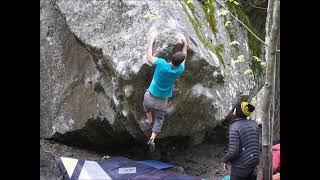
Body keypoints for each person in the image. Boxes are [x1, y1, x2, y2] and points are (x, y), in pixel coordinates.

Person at [143, 33, 188, 152]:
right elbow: (184, 57)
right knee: (160, 119)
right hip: (162, 100)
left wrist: (151, 42)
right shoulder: (179, 70)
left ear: (172, 58)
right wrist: (185, 45)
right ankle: (152, 139)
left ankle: (148, 120)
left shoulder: (161, 63)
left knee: (146, 106)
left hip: (150, 95)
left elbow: (149, 57)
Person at [223, 101, 260, 180]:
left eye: (235, 109)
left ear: (237, 111)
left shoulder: (234, 127)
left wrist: (225, 160)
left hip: (240, 167)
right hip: (254, 164)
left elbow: (234, 151)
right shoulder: (254, 124)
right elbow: (258, 145)